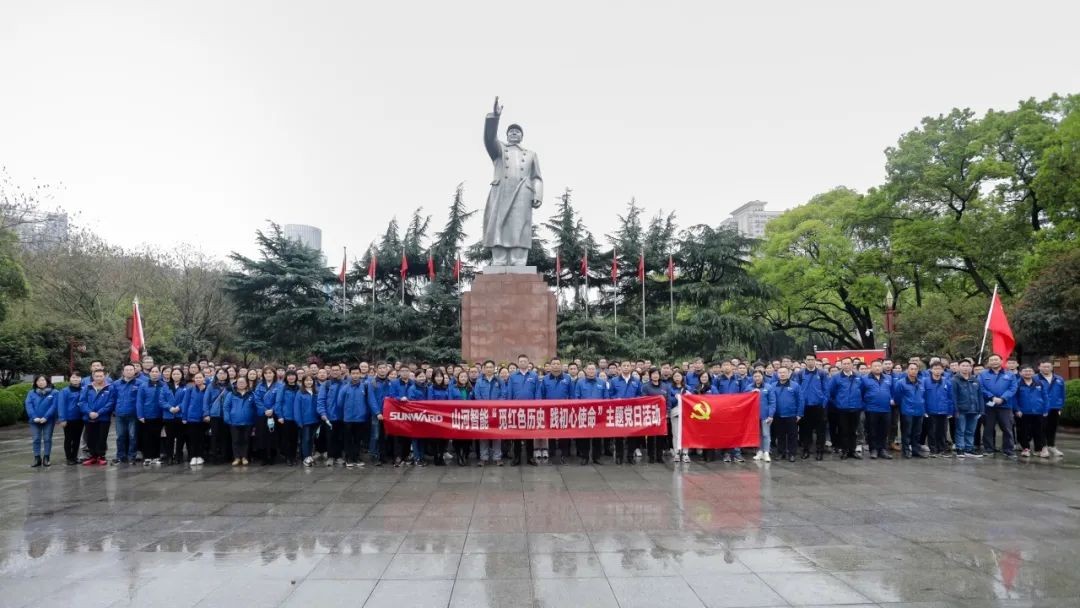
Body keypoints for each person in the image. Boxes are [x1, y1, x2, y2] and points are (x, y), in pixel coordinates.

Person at [979, 354, 1018, 459]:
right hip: (988, 405)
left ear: (1001, 361)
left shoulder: (1010, 374)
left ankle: (1008, 450)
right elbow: (981, 388)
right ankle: (988, 449)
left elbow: (1013, 388)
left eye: (996, 359)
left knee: (1007, 428)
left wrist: (1003, 398)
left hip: (1005, 405)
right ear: (989, 362)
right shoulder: (982, 374)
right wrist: (992, 397)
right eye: (991, 360)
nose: (994, 361)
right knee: (988, 428)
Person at [794, 355, 829, 461]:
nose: (810, 361)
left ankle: (820, 451)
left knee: (820, 431)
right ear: (805, 361)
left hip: (819, 406)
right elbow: (797, 390)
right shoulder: (800, 374)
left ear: (815, 361)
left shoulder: (822, 373)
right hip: (805, 406)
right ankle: (806, 450)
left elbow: (826, 390)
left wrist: (823, 403)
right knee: (805, 430)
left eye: (812, 359)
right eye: (808, 359)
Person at [827, 357, 863, 460]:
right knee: (844, 430)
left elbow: (863, 391)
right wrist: (837, 403)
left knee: (853, 431)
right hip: (842, 409)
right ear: (841, 365)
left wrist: (861, 404)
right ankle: (845, 451)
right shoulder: (836, 377)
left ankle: (852, 450)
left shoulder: (859, 376)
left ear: (852, 365)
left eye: (848, 363)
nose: (846, 366)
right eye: (844, 364)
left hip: (855, 408)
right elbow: (830, 392)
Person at [507, 354, 539, 466]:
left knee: (530, 435)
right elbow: (510, 392)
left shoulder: (534, 375)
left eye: (525, 361)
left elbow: (537, 392)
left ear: (528, 362)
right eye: (521, 361)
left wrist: (537, 405)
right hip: (516, 410)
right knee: (516, 434)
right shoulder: (513, 376)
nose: (523, 363)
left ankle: (530, 457)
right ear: (518, 363)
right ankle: (516, 457)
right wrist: (509, 407)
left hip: (531, 410)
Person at [540, 357, 573, 464]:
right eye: (553, 364)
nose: (555, 366)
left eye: (558, 364)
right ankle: (552, 454)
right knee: (550, 433)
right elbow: (542, 394)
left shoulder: (567, 378)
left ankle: (564, 455)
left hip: (564, 410)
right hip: (549, 410)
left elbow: (571, 395)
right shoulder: (545, 379)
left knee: (564, 433)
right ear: (550, 366)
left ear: (561, 365)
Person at [574, 363, 608, 465]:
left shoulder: (602, 382)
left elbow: (606, 397)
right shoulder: (580, 382)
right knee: (585, 437)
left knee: (597, 437)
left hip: (598, 414)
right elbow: (576, 397)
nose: (591, 371)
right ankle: (585, 457)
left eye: (593, 369)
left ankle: (596, 457)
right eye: (589, 369)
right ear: (585, 370)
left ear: (596, 370)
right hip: (584, 413)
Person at [610, 360, 643, 464]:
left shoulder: (636, 381)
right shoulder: (614, 380)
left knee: (632, 435)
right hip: (619, 411)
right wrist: (616, 399)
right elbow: (610, 394)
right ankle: (619, 456)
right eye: (624, 365)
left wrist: (635, 400)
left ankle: (630, 456)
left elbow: (640, 394)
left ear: (631, 368)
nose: (626, 367)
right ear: (620, 368)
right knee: (619, 435)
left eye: (628, 365)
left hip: (632, 411)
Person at [861, 359, 894, 460]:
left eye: (879, 366)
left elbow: (892, 391)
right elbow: (861, 393)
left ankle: (882, 449)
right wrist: (865, 404)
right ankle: (873, 449)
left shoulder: (888, 378)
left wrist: (892, 399)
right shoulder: (864, 379)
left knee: (884, 431)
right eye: (875, 366)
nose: (877, 368)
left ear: (882, 367)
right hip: (871, 409)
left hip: (886, 409)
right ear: (871, 367)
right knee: (872, 431)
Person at [78, 369, 113, 465]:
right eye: (96, 376)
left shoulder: (110, 388)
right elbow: (82, 402)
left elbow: (111, 402)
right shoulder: (87, 387)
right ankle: (93, 456)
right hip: (89, 417)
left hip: (103, 418)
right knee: (90, 438)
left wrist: (99, 413)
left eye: (101, 376)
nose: (98, 378)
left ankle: (101, 456)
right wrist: (89, 412)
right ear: (93, 377)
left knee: (102, 437)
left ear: (104, 377)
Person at [769, 366, 803, 462]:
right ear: (777, 374)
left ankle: (792, 454)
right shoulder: (773, 385)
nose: (782, 374)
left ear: (789, 374)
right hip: (778, 415)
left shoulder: (795, 385)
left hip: (791, 415)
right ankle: (781, 453)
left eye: (784, 372)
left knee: (793, 435)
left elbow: (800, 400)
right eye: (780, 373)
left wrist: (799, 414)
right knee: (780, 435)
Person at [892, 363, 927, 459]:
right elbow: (897, 397)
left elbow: (924, 396)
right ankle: (906, 450)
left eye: (915, 369)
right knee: (907, 432)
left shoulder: (921, 382)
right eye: (911, 369)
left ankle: (915, 450)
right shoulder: (901, 383)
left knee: (917, 432)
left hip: (919, 411)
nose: (913, 371)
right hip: (907, 411)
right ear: (907, 370)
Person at [712, 361, 744, 463]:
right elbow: (714, 392)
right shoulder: (718, 379)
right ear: (721, 368)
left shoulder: (738, 378)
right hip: (723, 409)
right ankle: (726, 453)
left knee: (736, 431)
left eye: (728, 365)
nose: (726, 367)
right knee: (725, 431)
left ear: (732, 366)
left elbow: (743, 392)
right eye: (724, 365)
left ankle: (737, 453)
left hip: (736, 409)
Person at [951, 359, 984, 458]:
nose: (965, 368)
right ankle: (960, 448)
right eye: (963, 366)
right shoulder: (954, 380)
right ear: (959, 367)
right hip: (961, 410)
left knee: (971, 430)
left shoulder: (975, 380)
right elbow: (953, 396)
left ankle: (969, 449)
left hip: (974, 410)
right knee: (960, 430)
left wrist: (981, 409)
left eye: (967, 366)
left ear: (971, 367)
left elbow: (980, 395)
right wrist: (955, 410)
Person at [109, 364, 141, 464]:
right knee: (120, 436)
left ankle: (132, 456)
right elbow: (113, 398)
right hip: (120, 414)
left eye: (131, 369)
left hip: (133, 414)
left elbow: (140, 400)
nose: (129, 371)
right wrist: (114, 410)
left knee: (133, 436)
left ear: (134, 371)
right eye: (127, 370)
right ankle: (120, 456)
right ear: (123, 372)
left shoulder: (140, 383)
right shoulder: (116, 383)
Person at [472, 360, 502, 466]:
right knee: (483, 435)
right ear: (484, 369)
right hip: (483, 411)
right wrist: (484, 406)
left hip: (496, 411)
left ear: (494, 368)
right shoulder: (479, 381)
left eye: (491, 367)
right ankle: (483, 457)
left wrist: (496, 405)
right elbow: (477, 395)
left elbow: (504, 394)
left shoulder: (499, 381)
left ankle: (497, 457)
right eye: (487, 367)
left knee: (497, 435)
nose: (489, 369)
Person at [1015, 365, 1048, 458]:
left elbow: (1045, 397)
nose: (1028, 373)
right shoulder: (1017, 383)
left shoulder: (1039, 383)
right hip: (1023, 412)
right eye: (1025, 371)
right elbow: (1014, 398)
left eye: (1030, 371)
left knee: (1039, 431)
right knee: (1024, 431)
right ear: (1020, 373)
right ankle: (1026, 449)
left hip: (1038, 411)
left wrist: (1045, 409)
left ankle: (1038, 449)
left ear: (1033, 373)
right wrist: (1017, 409)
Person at [135, 366, 166, 465]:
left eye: (156, 371)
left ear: (159, 373)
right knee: (147, 437)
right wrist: (140, 415)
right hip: (147, 415)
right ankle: (147, 457)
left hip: (160, 415)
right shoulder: (143, 386)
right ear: (149, 373)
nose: (154, 373)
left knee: (157, 436)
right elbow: (139, 401)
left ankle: (156, 456)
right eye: (153, 371)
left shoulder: (164, 385)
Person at [922, 361, 954, 458]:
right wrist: (924, 410)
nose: (937, 371)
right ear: (931, 370)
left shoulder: (947, 381)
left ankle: (942, 449)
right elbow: (922, 397)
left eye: (939, 369)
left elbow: (950, 397)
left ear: (943, 370)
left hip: (943, 411)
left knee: (942, 431)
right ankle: (933, 450)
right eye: (935, 369)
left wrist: (950, 411)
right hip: (930, 411)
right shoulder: (925, 381)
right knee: (932, 431)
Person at [25, 375, 57, 468]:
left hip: (48, 420)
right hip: (34, 421)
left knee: (47, 439)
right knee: (36, 439)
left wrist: (46, 417)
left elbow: (54, 406)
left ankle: (46, 458)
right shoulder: (31, 393)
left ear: (47, 381)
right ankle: (37, 458)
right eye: (38, 381)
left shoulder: (54, 392)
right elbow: (28, 405)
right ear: (35, 382)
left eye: (43, 380)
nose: (41, 382)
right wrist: (34, 417)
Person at [1036, 360, 1066, 458]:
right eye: (1044, 366)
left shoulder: (1059, 379)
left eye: (1048, 366)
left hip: (1055, 407)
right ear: (1039, 367)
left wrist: (1060, 407)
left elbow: (1062, 394)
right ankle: (1043, 448)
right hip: (1041, 408)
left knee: (1052, 428)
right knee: (1041, 428)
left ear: (1052, 367)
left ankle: (1051, 446)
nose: (1046, 368)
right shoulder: (1035, 378)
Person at [225, 375, 256, 466]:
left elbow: (255, 408)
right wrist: (227, 419)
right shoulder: (231, 394)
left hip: (248, 421)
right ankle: (237, 457)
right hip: (234, 422)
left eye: (243, 382)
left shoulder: (252, 394)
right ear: (236, 384)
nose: (241, 384)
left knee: (246, 440)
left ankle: (244, 457)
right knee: (235, 440)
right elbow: (226, 407)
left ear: (246, 384)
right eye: (239, 382)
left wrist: (255, 420)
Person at [641, 368, 670, 464]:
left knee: (660, 436)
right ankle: (651, 456)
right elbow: (644, 399)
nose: (655, 375)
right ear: (650, 375)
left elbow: (668, 400)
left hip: (662, 414)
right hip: (650, 414)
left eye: (657, 374)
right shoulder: (645, 386)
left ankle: (659, 456)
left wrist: (667, 411)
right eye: (653, 374)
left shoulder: (665, 386)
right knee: (651, 436)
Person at [204, 368, 232, 464]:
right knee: (214, 436)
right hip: (214, 414)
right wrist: (206, 413)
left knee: (225, 436)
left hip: (226, 414)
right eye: (220, 373)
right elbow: (206, 401)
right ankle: (214, 456)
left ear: (227, 375)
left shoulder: (230, 386)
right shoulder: (211, 386)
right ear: (216, 375)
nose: (222, 375)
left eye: (224, 373)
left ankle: (224, 456)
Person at [253, 366, 280, 466]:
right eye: (266, 373)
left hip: (274, 413)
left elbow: (279, 400)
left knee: (273, 435)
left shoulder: (279, 385)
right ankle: (263, 457)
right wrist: (265, 410)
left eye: (270, 373)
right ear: (263, 375)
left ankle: (272, 456)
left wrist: (272, 409)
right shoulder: (259, 385)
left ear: (274, 374)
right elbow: (257, 399)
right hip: (262, 414)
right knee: (262, 435)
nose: (268, 375)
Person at [403, 370, 431, 466]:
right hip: (416, 416)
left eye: (423, 376)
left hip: (425, 416)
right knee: (415, 438)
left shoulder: (427, 387)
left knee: (422, 437)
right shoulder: (412, 388)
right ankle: (416, 458)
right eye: (420, 377)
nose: (422, 378)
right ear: (415, 378)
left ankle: (422, 456)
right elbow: (411, 402)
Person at [56, 371, 84, 465]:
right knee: (68, 439)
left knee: (77, 439)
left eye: (77, 377)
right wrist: (62, 419)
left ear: (81, 379)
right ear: (70, 379)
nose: (75, 379)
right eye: (73, 377)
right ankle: (69, 458)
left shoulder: (83, 389)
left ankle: (75, 456)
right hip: (68, 419)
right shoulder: (64, 391)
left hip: (80, 418)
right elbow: (61, 406)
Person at [182, 372, 209, 466]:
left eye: (200, 377)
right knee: (193, 438)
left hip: (204, 417)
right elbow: (185, 403)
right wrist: (184, 417)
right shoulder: (190, 389)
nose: (198, 379)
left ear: (204, 379)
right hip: (192, 417)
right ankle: (193, 456)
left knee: (202, 438)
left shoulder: (208, 389)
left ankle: (200, 456)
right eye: (196, 378)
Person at [367, 362, 392, 466]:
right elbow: (371, 399)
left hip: (387, 413)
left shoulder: (390, 382)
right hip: (376, 414)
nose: (382, 370)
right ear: (377, 370)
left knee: (385, 435)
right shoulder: (372, 383)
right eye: (380, 368)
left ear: (387, 369)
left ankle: (383, 455)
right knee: (376, 435)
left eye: (384, 368)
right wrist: (377, 412)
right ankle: (374, 456)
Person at [746, 370, 773, 463]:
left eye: (759, 376)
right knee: (757, 434)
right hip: (753, 416)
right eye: (755, 376)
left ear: (762, 377)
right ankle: (760, 451)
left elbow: (772, 402)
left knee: (766, 434)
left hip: (765, 415)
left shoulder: (768, 387)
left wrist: (771, 415)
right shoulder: (749, 387)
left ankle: (766, 452)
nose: (757, 378)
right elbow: (744, 398)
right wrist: (751, 393)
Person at [276, 370, 301, 466]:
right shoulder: (283, 388)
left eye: (293, 375)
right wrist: (280, 416)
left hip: (297, 417)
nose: (291, 377)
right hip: (286, 417)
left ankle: (294, 456)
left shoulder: (299, 388)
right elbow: (278, 402)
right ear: (286, 377)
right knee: (286, 439)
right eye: (289, 376)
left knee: (295, 438)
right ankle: (288, 457)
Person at [690, 370, 716, 462]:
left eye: (705, 377)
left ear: (708, 378)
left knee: (710, 435)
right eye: (702, 377)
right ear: (699, 378)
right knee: (702, 435)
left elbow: (718, 398)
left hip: (710, 414)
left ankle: (710, 455)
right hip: (700, 415)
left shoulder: (712, 388)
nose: (704, 378)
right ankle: (703, 455)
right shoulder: (695, 388)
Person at [162, 368, 186, 465]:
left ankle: (178, 456)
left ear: (182, 375)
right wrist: (169, 407)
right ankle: (169, 456)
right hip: (169, 415)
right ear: (171, 375)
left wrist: (179, 407)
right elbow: (161, 400)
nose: (176, 376)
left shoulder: (185, 386)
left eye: (178, 374)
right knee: (169, 437)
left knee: (181, 437)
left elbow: (186, 400)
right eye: (174, 374)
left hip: (180, 415)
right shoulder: (166, 386)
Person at [294, 375, 320, 466]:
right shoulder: (300, 393)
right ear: (303, 382)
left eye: (310, 380)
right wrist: (299, 421)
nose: (309, 382)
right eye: (307, 380)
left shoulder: (316, 392)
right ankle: (305, 457)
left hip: (315, 420)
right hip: (305, 421)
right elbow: (297, 408)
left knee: (312, 440)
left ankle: (309, 456)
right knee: (306, 439)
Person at [428, 369, 452, 466]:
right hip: (435, 416)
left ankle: (441, 456)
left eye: (440, 376)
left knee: (444, 438)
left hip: (445, 416)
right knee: (435, 438)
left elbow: (449, 401)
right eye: (437, 376)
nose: (439, 378)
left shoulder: (447, 388)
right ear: (433, 377)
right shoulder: (431, 388)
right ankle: (436, 456)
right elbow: (430, 402)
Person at [450, 370, 473, 466]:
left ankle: (465, 455)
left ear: (467, 378)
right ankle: (459, 455)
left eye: (465, 377)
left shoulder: (471, 388)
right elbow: (450, 401)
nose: (463, 378)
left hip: (468, 416)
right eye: (461, 377)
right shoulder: (453, 388)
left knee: (467, 438)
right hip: (457, 415)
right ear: (458, 378)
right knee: (457, 438)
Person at [669, 370, 689, 463]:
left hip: (686, 414)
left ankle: (685, 453)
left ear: (682, 377)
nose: (677, 378)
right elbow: (669, 400)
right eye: (675, 376)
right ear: (673, 378)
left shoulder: (687, 388)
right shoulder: (670, 388)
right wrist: (675, 398)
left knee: (686, 434)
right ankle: (677, 452)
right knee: (676, 434)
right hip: (675, 413)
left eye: (679, 376)